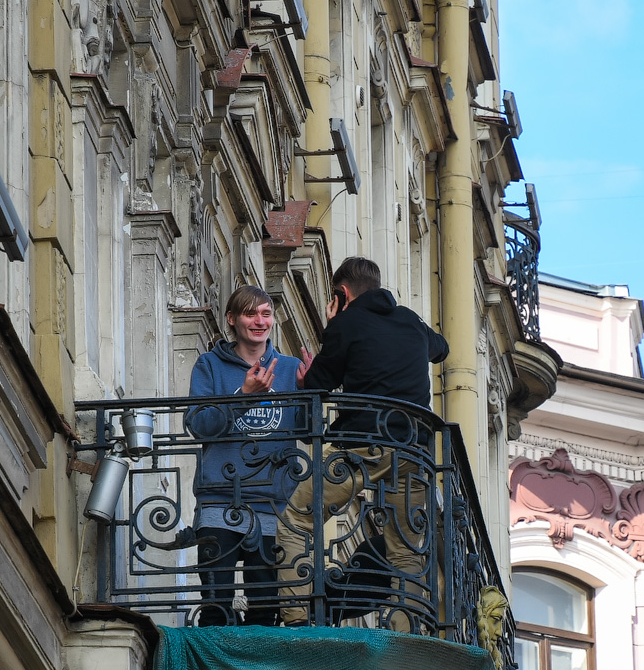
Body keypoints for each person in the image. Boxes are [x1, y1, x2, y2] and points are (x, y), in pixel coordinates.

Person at [278, 257, 448, 627]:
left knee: (295, 521)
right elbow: (442, 348)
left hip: (362, 446)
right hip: (414, 451)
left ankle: (295, 622)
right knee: (406, 550)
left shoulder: (346, 323)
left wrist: (333, 324)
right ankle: (407, 636)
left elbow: (318, 384)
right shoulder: (412, 323)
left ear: (341, 293)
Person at [187, 284, 308, 626]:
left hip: (272, 504)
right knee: (214, 605)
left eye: (266, 314)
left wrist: (312, 390)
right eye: (250, 313)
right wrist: (245, 396)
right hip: (218, 501)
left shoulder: (289, 368)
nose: (259, 321)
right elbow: (198, 425)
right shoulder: (210, 365)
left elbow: (304, 430)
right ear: (232, 319)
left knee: (266, 608)